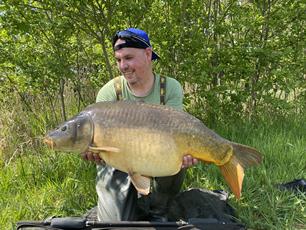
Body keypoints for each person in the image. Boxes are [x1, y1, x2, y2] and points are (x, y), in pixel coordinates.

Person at [81, 28, 198, 222]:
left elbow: (180, 130)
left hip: (157, 157)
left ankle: (160, 208)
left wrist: (187, 153)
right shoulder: (109, 93)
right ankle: (124, 206)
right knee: (115, 223)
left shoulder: (170, 88)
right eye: (118, 60)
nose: (123, 66)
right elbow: (98, 147)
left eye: (128, 58)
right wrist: (94, 153)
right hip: (118, 162)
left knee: (177, 155)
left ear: (148, 54)